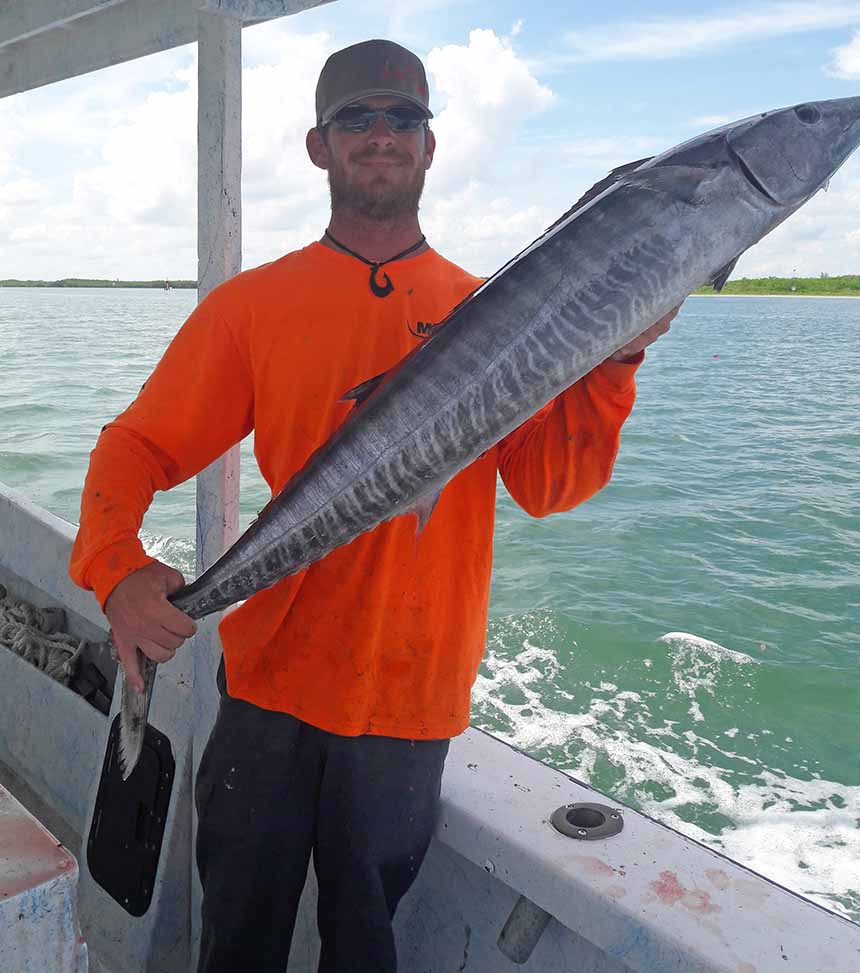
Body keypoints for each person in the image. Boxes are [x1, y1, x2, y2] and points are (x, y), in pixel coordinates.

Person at [70, 39, 677, 973]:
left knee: (365, 946)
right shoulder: (253, 307)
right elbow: (136, 444)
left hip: (410, 703)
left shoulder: (493, 310)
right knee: (237, 939)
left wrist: (619, 355)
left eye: (404, 118)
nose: (382, 134)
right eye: (357, 117)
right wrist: (115, 568)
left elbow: (549, 484)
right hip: (267, 694)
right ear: (320, 145)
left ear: (431, 145)